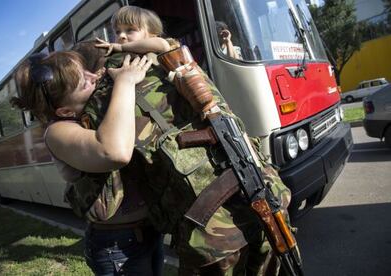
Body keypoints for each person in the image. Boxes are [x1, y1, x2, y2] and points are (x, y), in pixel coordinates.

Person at [75, 5, 295, 275]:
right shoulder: (110, 88)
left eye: (130, 31)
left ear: (151, 34)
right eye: (116, 32)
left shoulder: (174, 61)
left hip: (248, 195)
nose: (120, 37)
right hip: (205, 226)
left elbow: (164, 44)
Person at [12, 51, 165, 275]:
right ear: (64, 110)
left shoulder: (96, 110)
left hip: (149, 230)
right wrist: (125, 82)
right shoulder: (57, 132)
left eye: (87, 71)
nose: (94, 77)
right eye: (84, 82)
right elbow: (114, 152)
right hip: (119, 246)